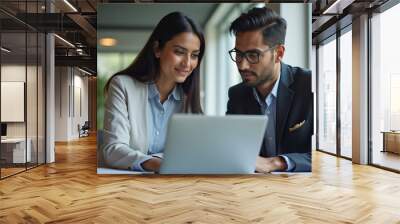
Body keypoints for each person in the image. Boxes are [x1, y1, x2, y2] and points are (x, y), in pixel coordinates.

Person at [102, 12, 205, 172]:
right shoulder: (122, 85)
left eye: (194, 55)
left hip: (173, 185)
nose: (187, 63)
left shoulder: (190, 99)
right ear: (157, 49)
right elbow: (113, 150)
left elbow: (193, 153)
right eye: (179, 52)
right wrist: (158, 163)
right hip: (125, 184)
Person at [226, 7, 312, 172]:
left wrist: (276, 163)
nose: (242, 65)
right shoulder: (237, 95)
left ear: (278, 53)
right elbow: (233, 149)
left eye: (253, 55)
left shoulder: (308, 85)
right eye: (238, 54)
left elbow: (327, 158)